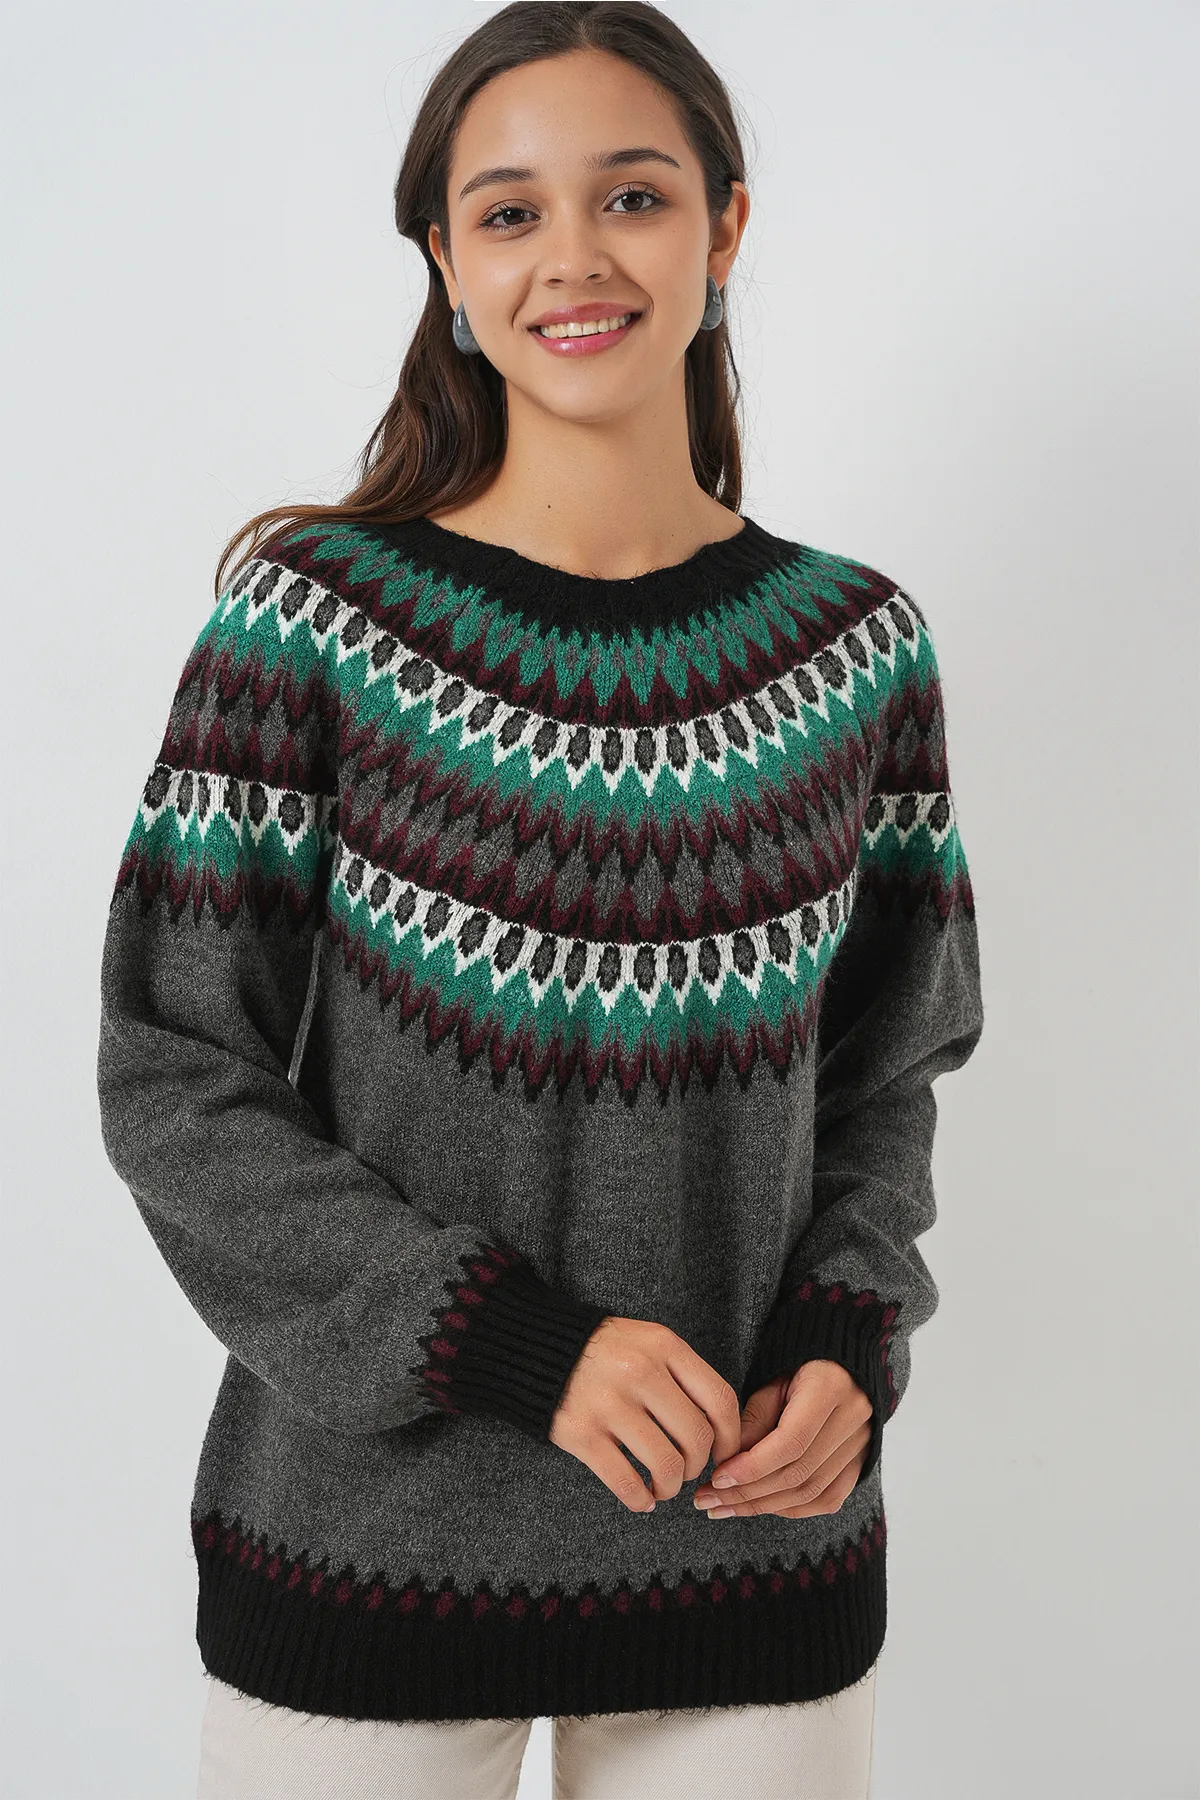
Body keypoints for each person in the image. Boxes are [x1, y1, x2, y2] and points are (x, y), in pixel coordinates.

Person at [95, 4, 985, 1795]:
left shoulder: (859, 649)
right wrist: (510, 1346)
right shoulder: (312, 622)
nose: (573, 257)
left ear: (726, 228)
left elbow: (888, 1072)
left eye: (633, 195)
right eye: (509, 213)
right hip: (363, 1550)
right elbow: (176, 1079)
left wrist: (850, 1329)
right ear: (445, 260)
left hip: (755, 1549)